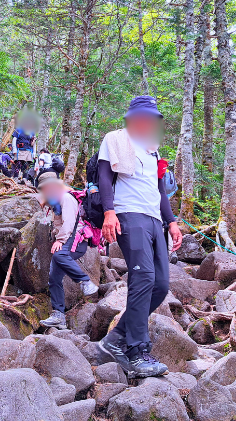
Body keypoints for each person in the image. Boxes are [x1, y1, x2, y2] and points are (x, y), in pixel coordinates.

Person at [96, 95, 183, 379]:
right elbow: (105, 178)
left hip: (154, 220)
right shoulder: (115, 139)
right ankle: (136, 352)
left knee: (159, 284)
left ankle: (114, 341)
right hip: (128, 215)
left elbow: (160, 191)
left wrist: (171, 222)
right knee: (143, 277)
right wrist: (109, 213)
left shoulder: (152, 149)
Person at [37, 171, 99, 329]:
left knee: (59, 255)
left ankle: (85, 282)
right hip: (68, 240)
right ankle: (59, 315)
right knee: (54, 278)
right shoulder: (55, 202)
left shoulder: (66, 198)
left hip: (76, 240)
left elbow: (70, 223)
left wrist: (59, 240)